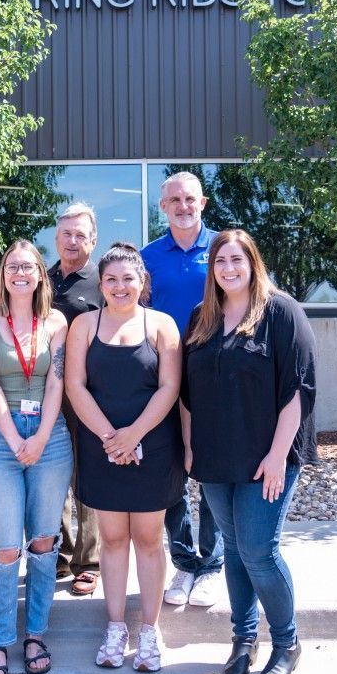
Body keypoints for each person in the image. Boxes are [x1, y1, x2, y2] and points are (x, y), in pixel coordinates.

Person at [182, 229, 317, 674]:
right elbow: (187, 394)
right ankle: (243, 640)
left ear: (252, 262)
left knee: (260, 551)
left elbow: (298, 389)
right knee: (235, 551)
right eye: (220, 262)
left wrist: (279, 456)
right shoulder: (202, 317)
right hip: (217, 457)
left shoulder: (281, 311)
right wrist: (189, 447)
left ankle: (286, 642)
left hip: (266, 457)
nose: (228, 269)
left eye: (237, 260)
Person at [65, 242, 184, 673]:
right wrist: (110, 438)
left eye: (128, 279)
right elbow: (75, 386)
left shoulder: (163, 326)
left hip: (152, 446)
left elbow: (169, 388)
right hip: (101, 447)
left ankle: (150, 633)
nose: (119, 287)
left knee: (150, 540)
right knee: (113, 540)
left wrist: (133, 434)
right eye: (111, 279)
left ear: (142, 282)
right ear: (101, 284)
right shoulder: (83, 326)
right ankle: (115, 627)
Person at [0, 241, 72, 674]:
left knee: (45, 541)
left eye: (28, 266)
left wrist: (42, 437)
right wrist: (15, 440)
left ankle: (35, 635)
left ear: (40, 274)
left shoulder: (56, 321)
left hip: (50, 437)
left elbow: (57, 382)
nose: (20, 273)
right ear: (2, 274)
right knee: (7, 546)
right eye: (12, 266)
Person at [140, 171, 223, 608]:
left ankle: (212, 564)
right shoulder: (148, 257)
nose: (183, 206)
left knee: (210, 473)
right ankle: (184, 562)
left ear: (203, 203)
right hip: (163, 381)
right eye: (174, 200)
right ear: (163, 207)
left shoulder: (223, 252)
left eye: (190, 199)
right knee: (169, 474)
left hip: (213, 379)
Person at [48, 203, 103, 597]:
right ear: (56, 237)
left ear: (93, 239)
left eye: (80, 234)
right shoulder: (40, 280)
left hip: (91, 395)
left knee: (87, 478)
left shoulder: (104, 281)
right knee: (54, 476)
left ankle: (89, 561)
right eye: (66, 233)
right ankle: (61, 553)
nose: (72, 240)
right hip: (46, 396)